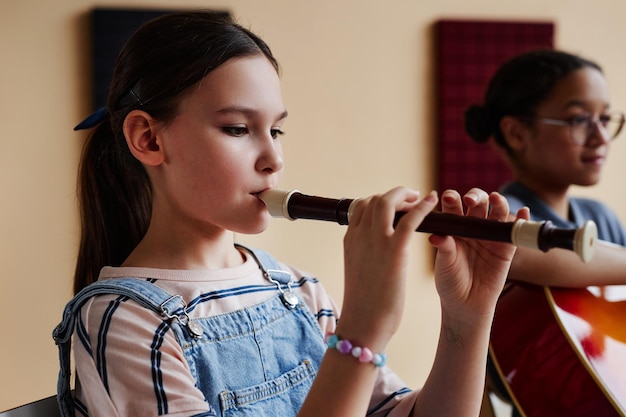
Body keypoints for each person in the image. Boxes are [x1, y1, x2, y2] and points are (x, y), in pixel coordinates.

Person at [52, 11, 525, 417]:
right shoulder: (125, 320)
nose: (273, 159)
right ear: (148, 140)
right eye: (238, 128)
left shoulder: (296, 291)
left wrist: (468, 317)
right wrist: (362, 328)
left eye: (276, 130)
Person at [464, 49, 626, 416]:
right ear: (517, 132)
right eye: (580, 119)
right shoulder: (499, 217)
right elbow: (527, 254)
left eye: (605, 118)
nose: (601, 136)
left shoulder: (602, 217)